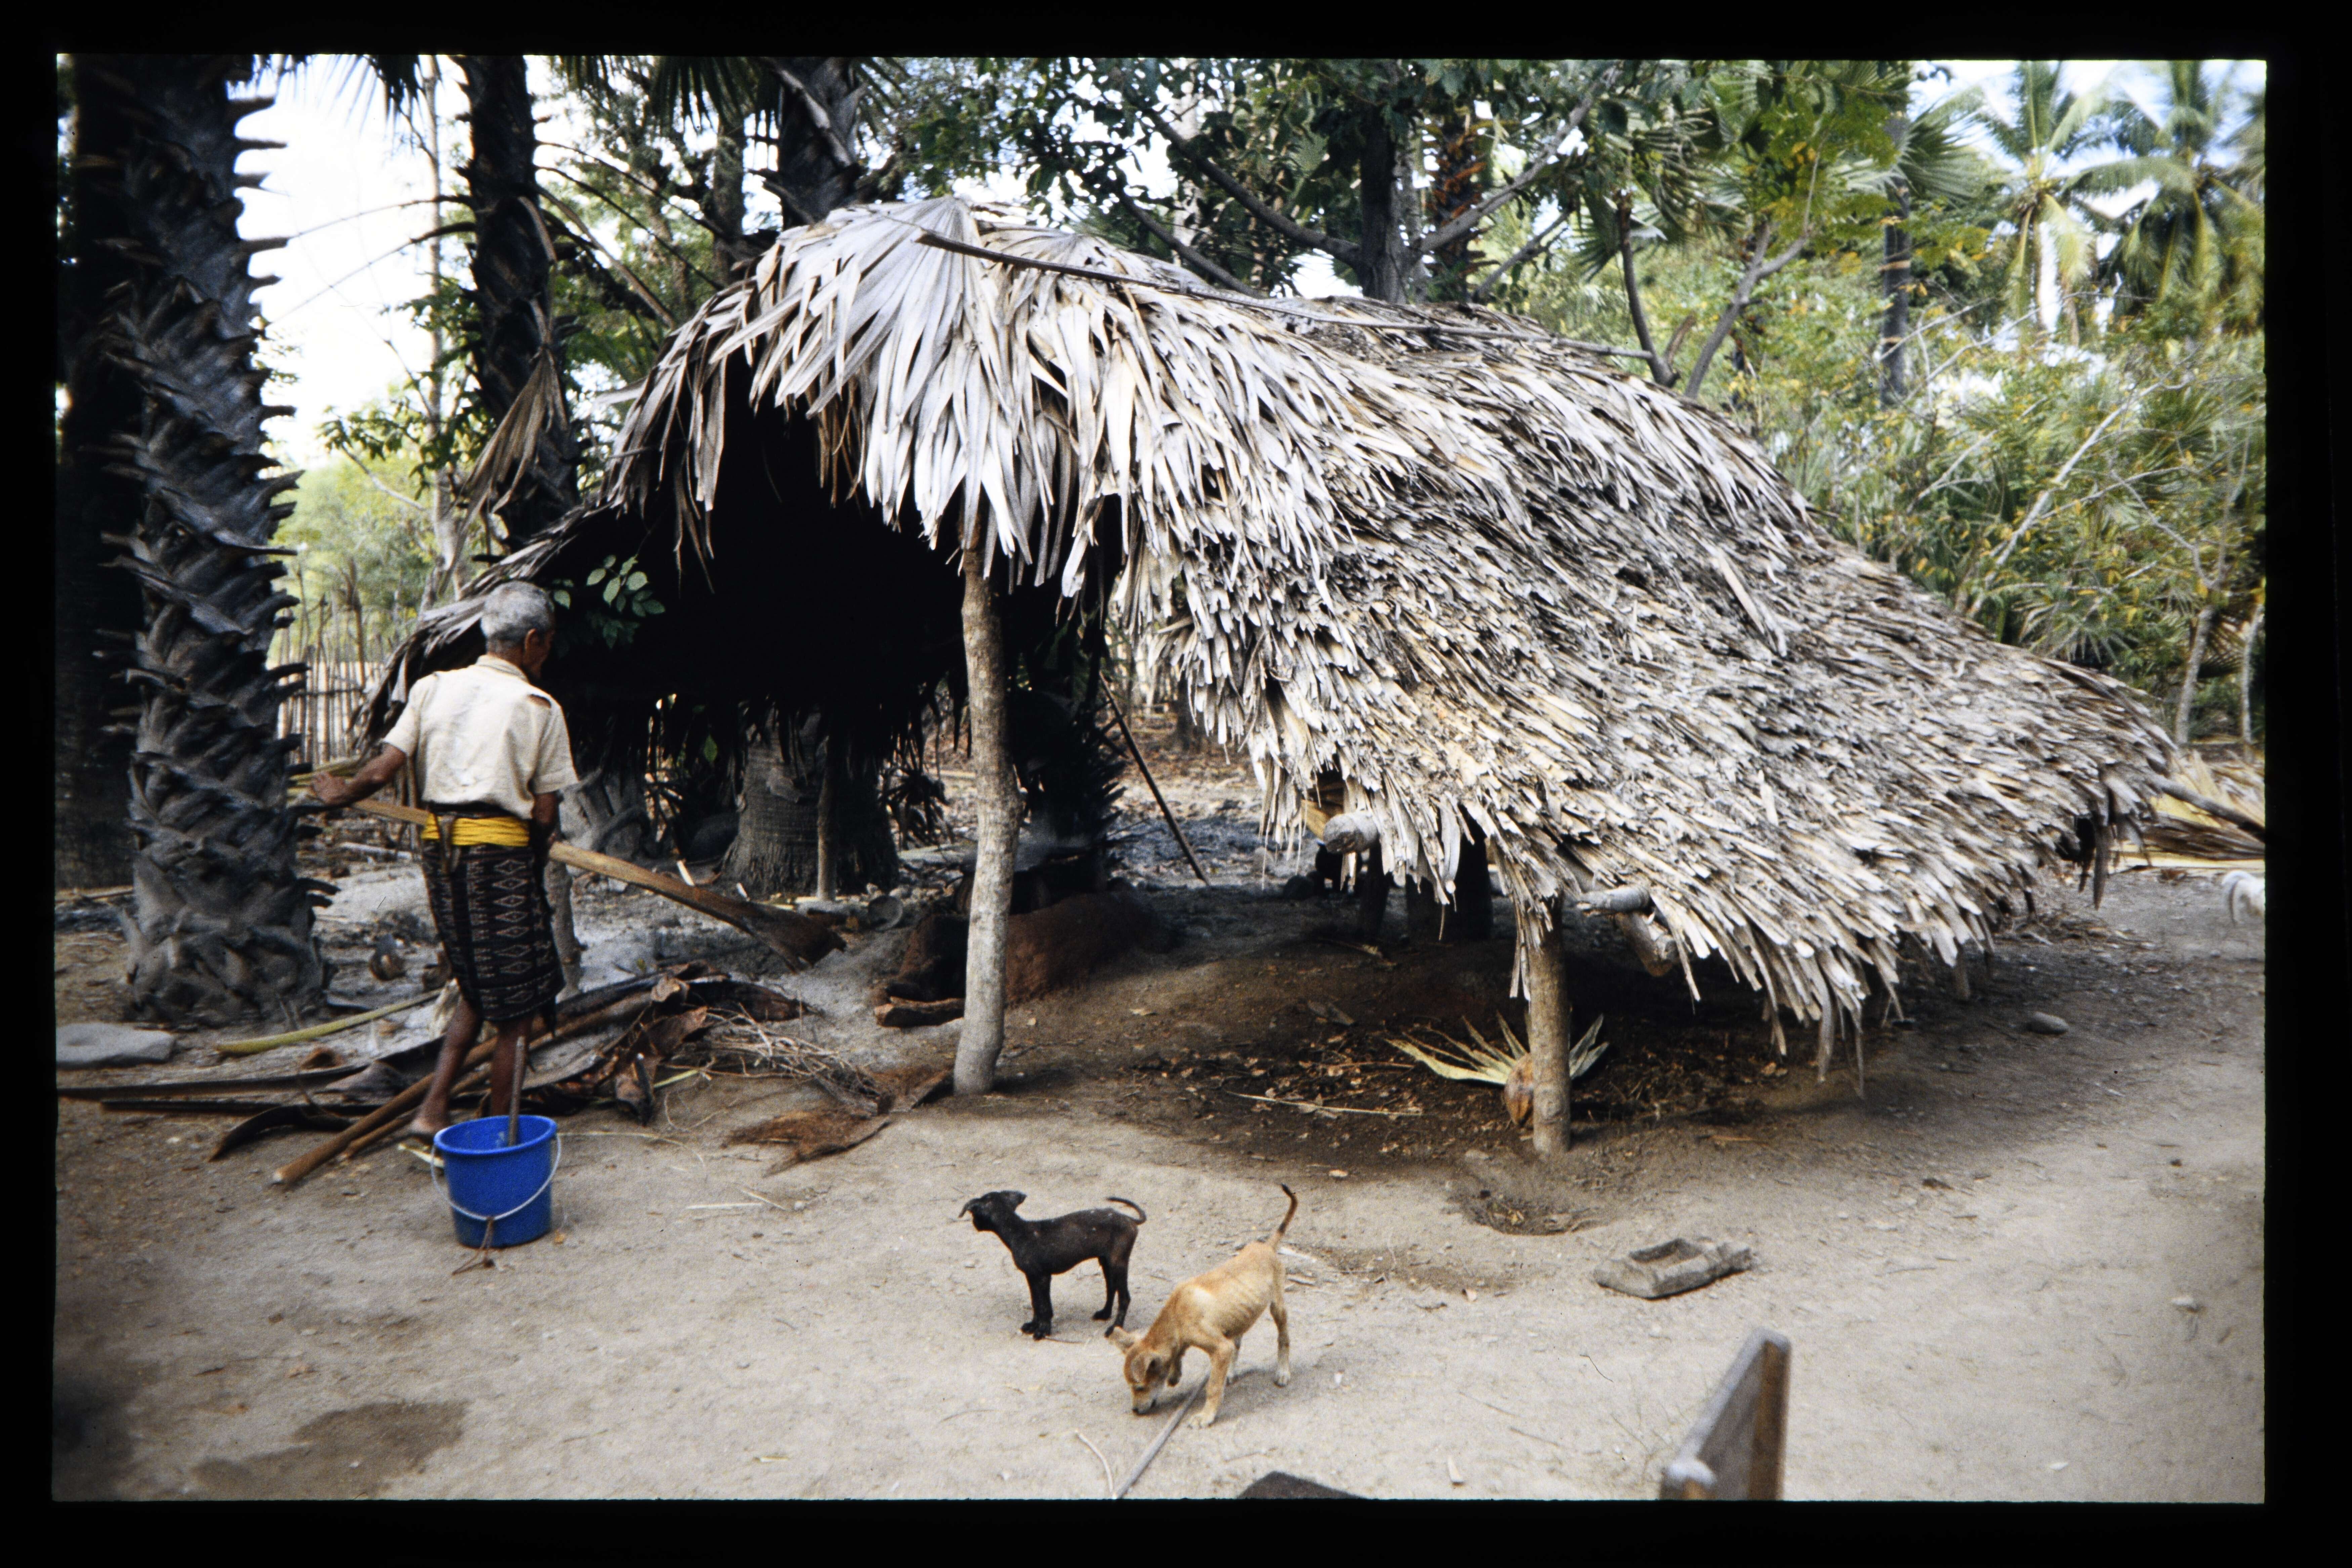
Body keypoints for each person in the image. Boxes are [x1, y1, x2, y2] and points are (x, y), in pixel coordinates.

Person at [313, 583, 581, 1139]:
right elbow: (545, 813)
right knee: (520, 1011)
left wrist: (342, 792)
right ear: (533, 640)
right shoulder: (539, 707)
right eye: (549, 642)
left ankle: (433, 1110)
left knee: (475, 985)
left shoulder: (434, 688)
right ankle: (503, 1137)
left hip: (440, 853)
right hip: (499, 859)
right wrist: (535, 857)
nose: (549, 652)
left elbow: (381, 770)